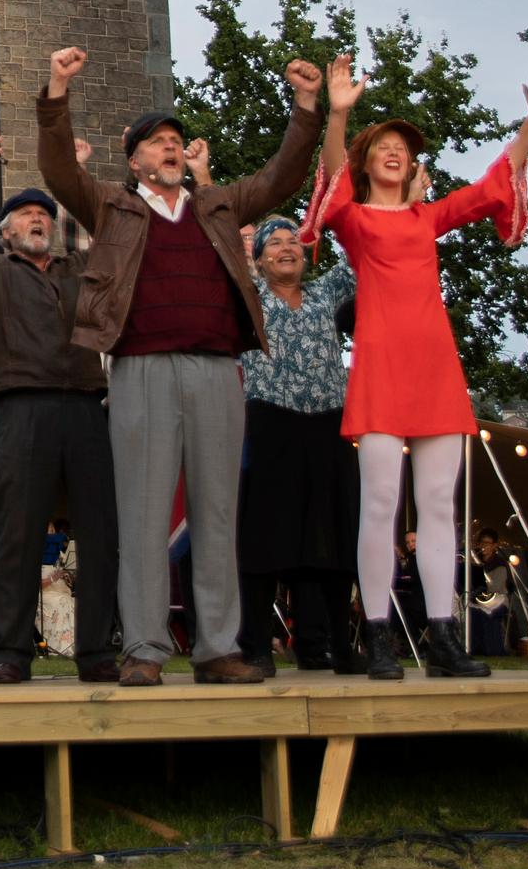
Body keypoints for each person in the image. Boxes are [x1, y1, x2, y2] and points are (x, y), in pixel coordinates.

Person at [45, 44, 323, 686]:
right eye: (157, 143)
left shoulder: (218, 205)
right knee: (142, 510)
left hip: (216, 370)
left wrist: (305, 107)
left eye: (175, 140)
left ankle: (217, 647)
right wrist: (58, 90)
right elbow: (60, 171)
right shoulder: (114, 206)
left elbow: (282, 177)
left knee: (218, 510)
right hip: (142, 370)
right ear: (135, 158)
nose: (170, 149)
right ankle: (144, 647)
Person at [304, 55, 528, 680]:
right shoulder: (357, 222)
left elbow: (491, 186)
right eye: (383, 146)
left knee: (440, 504)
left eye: (403, 148)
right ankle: (382, 636)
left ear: (413, 164)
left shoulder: (427, 216)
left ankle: (444, 638)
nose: (394, 152)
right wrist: (338, 114)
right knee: (380, 503)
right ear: (368, 163)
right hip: (383, 369)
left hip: (436, 370)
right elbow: (331, 183)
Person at [0, 178, 121, 684]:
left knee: (99, 533)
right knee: (16, 535)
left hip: (87, 404)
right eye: (23, 215)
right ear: (5, 234)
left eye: (43, 213)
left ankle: (95, 652)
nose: (36, 218)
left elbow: (113, 236)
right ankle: (9, 653)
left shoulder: (79, 270)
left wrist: (79, 175)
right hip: (22, 406)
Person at [234, 216, 361, 674]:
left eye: (294, 241)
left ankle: (325, 645)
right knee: (266, 538)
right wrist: (205, 177)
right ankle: (255, 646)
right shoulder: (250, 293)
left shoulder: (326, 293)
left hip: (329, 424)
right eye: (275, 243)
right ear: (259, 257)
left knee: (331, 538)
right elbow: (227, 244)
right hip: (271, 421)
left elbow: (359, 250)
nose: (286, 247)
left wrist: (390, 199)